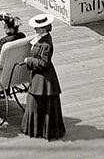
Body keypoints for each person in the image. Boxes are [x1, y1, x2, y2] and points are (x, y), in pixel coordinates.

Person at [19, 13, 65, 141]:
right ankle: (41, 130)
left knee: (35, 103)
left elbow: (44, 63)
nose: (35, 29)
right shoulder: (42, 39)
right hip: (41, 78)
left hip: (43, 78)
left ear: (44, 28)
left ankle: (36, 129)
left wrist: (29, 60)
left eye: (37, 28)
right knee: (38, 104)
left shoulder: (46, 44)